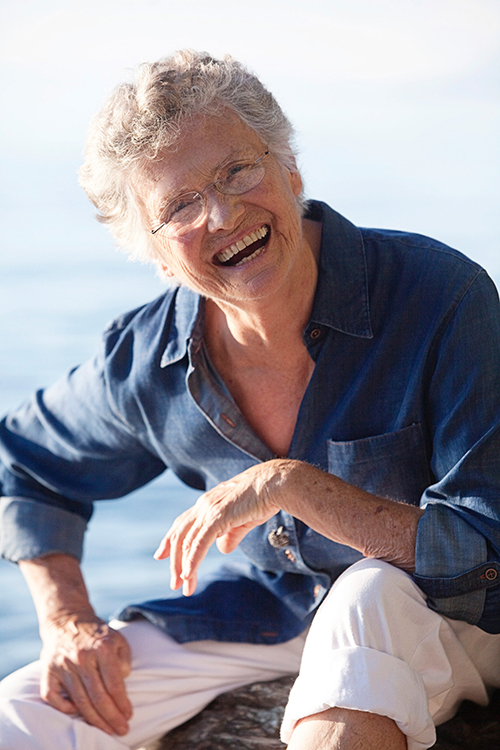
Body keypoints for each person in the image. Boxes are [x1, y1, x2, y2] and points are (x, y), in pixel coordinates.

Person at [0, 49, 499, 750]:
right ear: (154, 254)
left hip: (441, 613)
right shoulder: (148, 358)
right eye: (178, 205)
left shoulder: (442, 296)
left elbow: (489, 552)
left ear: (289, 168)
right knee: (21, 712)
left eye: (238, 170)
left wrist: (292, 487)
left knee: (367, 598)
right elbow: (24, 466)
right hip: (268, 614)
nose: (223, 212)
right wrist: (67, 621)